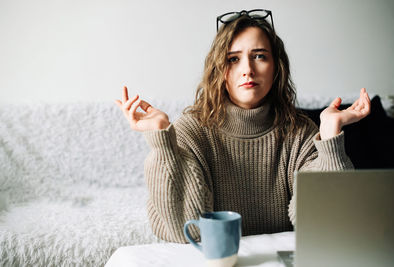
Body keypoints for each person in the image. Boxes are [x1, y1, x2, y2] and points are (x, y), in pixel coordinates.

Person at [115, 10, 371, 243]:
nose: (247, 69)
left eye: (259, 56)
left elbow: (324, 225)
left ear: (277, 68)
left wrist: (329, 138)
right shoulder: (192, 130)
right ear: (219, 70)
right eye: (233, 59)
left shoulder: (299, 132)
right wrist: (162, 142)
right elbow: (189, 231)